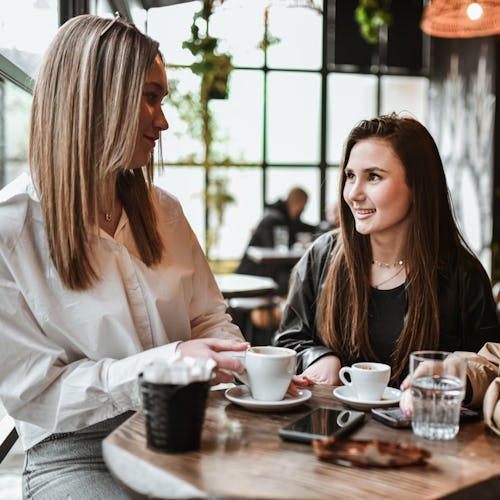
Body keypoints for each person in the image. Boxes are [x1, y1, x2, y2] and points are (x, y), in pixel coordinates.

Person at [0, 14, 248, 499]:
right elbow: (33, 392)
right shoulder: (11, 231)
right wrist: (163, 366)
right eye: (150, 97)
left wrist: (240, 360)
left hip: (188, 432)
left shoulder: (165, 212)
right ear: (95, 98)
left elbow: (208, 319)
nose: (164, 120)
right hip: (76, 453)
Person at [274, 113, 500, 388]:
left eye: (374, 177)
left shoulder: (463, 275)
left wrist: (448, 379)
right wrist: (317, 358)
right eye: (350, 176)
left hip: (419, 429)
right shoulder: (321, 256)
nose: (353, 194)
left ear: (417, 186)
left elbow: (488, 371)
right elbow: (288, 341)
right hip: (330, 428)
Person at [237, 186, 317, 295]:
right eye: (303, 207)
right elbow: (276, 254)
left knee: (301, 280)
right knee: (300, 283)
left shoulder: (278, 216)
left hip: (264, 271)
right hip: (254, 274)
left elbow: (301, 228)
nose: (302, 210)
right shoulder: (273, 220)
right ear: (299, 204)